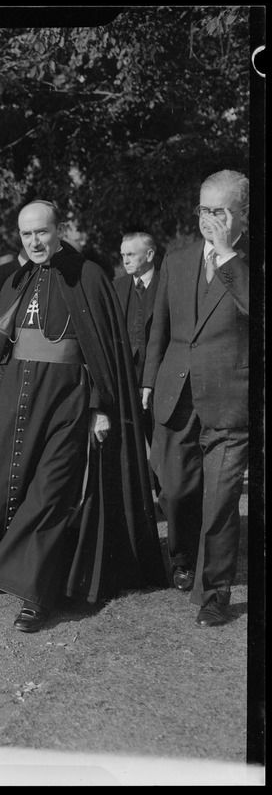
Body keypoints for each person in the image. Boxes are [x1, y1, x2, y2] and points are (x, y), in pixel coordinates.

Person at [0, 199, 166, 632]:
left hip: (69, 403)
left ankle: (35, 595)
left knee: (50, 494)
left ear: (57, 229)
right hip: (17, 397)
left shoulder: (89, 276)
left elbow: (104, 354)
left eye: (42, 232)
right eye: (26, 235)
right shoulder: (17, 278)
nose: (35, 241)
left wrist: (101, 408)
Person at [141, 170, 250, 628]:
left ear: (243, 213)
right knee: (176, 489)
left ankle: (215, 591)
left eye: (220, 212)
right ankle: (182, 557)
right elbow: (159, 328)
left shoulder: (247, 262)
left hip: (230, 398)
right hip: (176, 392)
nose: (209, 221)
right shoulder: (178, 259)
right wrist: (148, 379)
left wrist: (227, 255)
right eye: (204, 210)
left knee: (221, 500)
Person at [113, 232, 160, 494]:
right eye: (123, 255)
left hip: (160, 382)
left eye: (131, 254)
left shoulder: (169, 283)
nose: (125, 260)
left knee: (163, 452)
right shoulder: (118, 286)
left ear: (150, 255)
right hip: (127, 381)